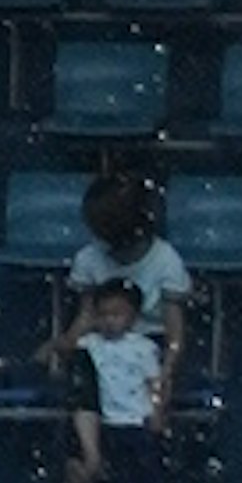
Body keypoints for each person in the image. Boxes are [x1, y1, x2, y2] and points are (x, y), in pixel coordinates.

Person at [49, 159, 190, 423]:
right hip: (103, 341)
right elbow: (87, 316)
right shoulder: (89, 258)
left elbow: (175, 333)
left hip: (147, 344)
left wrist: (165, 374)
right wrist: (65, 344)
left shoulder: (166, 260)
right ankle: (89, 452)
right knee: (86, 381)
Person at [55, 266, 165, 483]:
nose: (109, 320)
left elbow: (155, 382)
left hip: (135, 418)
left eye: (116, 314)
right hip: (106, 420)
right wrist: (84, 324)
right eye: (103, 314)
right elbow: (61, 349)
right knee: (107, 468)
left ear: (134, 316)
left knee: (142, 468)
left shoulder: (144, 347)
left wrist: (158, 410)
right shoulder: (90, 343)